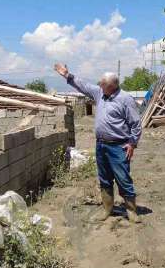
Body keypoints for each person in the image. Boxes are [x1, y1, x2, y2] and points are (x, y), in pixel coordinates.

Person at [54, 63, 143, 223]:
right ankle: (107, 209)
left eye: (103, 84)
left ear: (112, 86)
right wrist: (67, 75)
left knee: (123, 178)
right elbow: (84, 86)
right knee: (104, 178)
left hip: (119, 146)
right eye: (100, 84)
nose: (100, 86)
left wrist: (132, 143)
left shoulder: (125, 99)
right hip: (101, 145)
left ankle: (131, 210)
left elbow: (136, 124)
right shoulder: (100, 93)